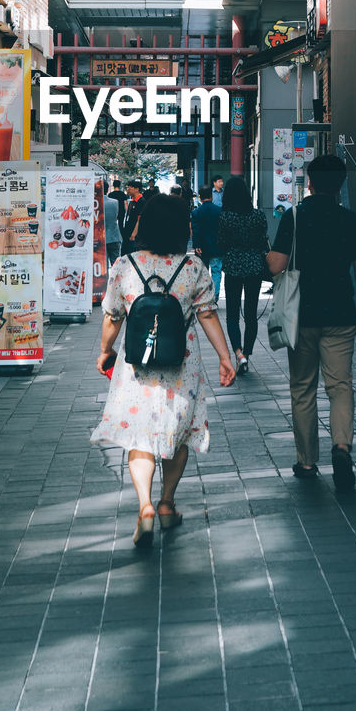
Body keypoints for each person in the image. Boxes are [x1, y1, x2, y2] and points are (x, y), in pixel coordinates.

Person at [91, 195, 237, 547]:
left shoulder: (125, 266)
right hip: (180, 367)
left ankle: (144, 508)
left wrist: (105, 351)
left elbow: (113, 317)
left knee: (139, 438)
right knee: (179, 435)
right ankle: (167, 502)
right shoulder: (193, 268)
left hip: (137, 367)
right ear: (179, 228)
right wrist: (225, 356)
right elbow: (207, 315)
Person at [267, 154, 356, 489]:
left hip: (301, 317)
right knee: (340, 387)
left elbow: (276, 266)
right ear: (340, 185)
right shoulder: (351, 220)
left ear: (309, 182)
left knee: (303, 388)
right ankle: (341, 447)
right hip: (340, 316)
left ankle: (307, 462)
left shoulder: (293, 217)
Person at [217, 175, 269, 375]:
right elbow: (264, 242)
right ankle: (247, 352)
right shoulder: (258, 216)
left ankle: (238, 354)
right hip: (255, 266)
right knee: (251, 313)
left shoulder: (225, 217)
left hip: (233, 267)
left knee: (232, 314)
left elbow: (221, 244)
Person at [190, 185, 222, 301]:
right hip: (217, 246)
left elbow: (195, 230)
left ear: (200, 197)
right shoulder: (219, 211)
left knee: (202, 272)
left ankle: (203, 297)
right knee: (216, 272)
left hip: (202, 247)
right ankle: (215, 296)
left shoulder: (196, 212)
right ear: (211, 196)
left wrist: (196, 245)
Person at [121, 180, 145, 255]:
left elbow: (140, 219)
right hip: (127, 233)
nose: (128, 189)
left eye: (130, 188)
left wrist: (133, 234)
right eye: (127, 187)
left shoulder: (141, 201)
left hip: (134, 236)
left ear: (137, 189)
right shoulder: (132, 201)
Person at [103, 187, 121, 267]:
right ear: (107, 190)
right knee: (116, 265)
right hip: (114, 236)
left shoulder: (94, 204)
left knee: (103, 266)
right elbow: (116, 216)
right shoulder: (115, 202)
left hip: (100, 239)